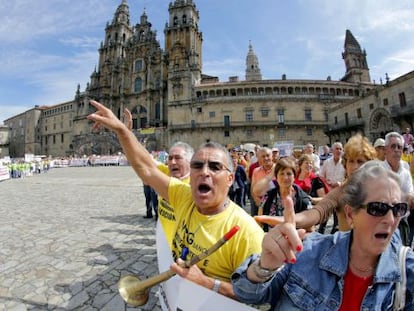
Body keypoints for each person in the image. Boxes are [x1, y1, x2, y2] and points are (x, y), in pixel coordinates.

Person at [87, 100, 264, 298]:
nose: (204, 172)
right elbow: (146, 168)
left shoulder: (248, 234)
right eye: (197, 166)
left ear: (230, 178)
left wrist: (206, 283)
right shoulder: (184, 195)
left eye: (215, 167)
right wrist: (122, 130)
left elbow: (260, 298)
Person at [232, 161, 414, 310]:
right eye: (378, 208)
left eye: (398, 209)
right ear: (351, 215)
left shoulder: (407, 271)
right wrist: (265, 267)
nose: (390, 220)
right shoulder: (308, 252)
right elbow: (247, 294)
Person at [256, 134, 377, 232]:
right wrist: (285, 219)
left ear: (370, 163)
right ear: (345, 164)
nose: (355, 167)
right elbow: (315, 214)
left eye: (360, 161)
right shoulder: (340, 193)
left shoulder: (381, 188)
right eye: (351, 161)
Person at [253, 157, 312, 232]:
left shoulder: (303, 200)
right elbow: (259, 222)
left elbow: (310, 230)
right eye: (281, 174)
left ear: (294, 176)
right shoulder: (268, 196)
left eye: (289, 174)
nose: (285, 177)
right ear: (276, 177)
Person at [318, 142, 345, 233]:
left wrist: (340, 183)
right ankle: (321, 233)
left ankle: (335, 234)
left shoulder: (345, 163)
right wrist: (327, 185)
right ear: (332, 150)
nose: (339, 151)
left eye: (340, 149)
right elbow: (321, 177)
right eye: (337, 149)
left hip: (341, 192)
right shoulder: (327, 162)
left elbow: (349, 178)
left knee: (337, 217)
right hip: (328, 192)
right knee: (325, 215)